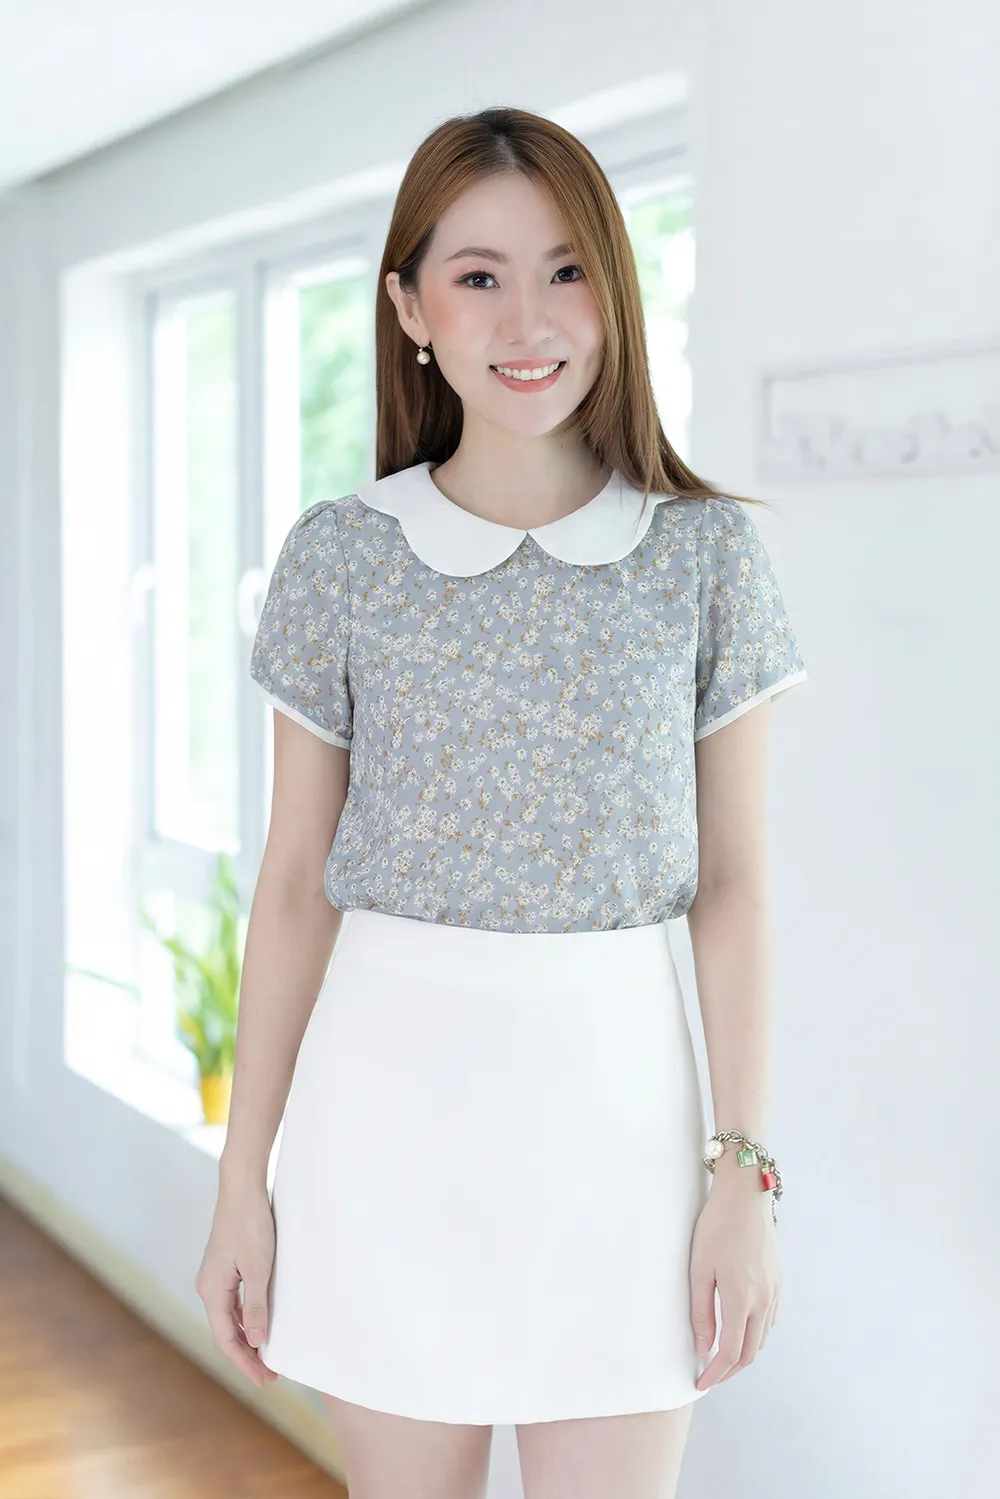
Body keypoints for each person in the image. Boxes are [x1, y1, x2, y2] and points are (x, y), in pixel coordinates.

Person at [195, 104, 808, 1499]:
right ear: (411, 307)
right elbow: (292, 885)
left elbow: (736, 890)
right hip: (384, 1124)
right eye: (478, 275)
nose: (528, 319)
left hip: (626, 1133)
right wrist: (244, 1184)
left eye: (566, 269)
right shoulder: (342, 559)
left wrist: (744, 1177)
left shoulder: (703, 558)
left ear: (616, 292)